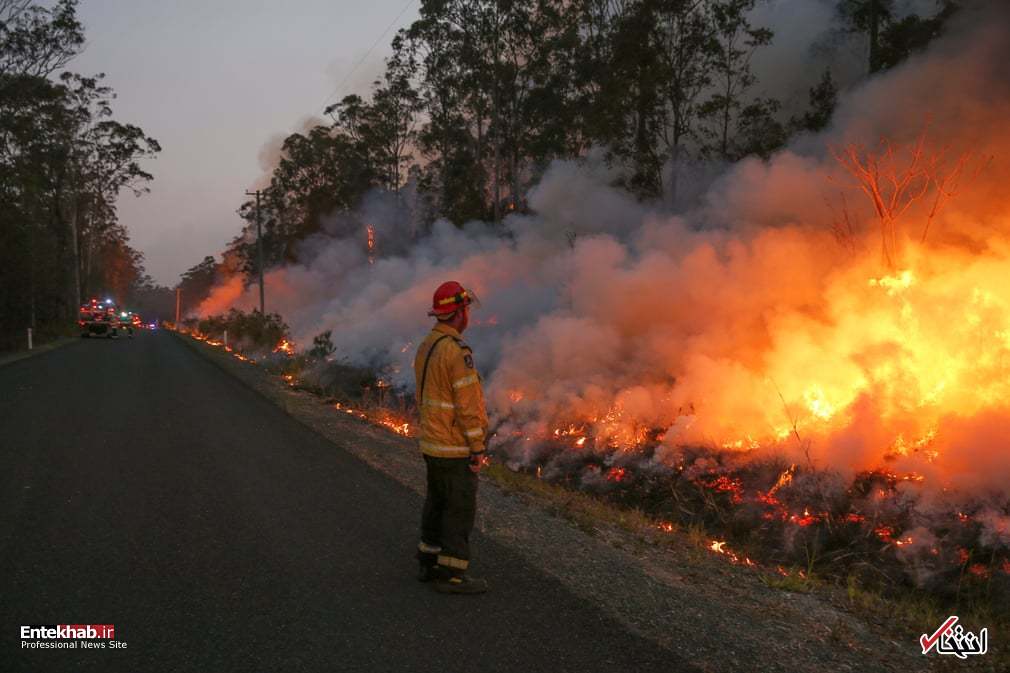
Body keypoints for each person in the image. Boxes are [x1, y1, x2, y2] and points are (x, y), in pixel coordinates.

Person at [413, 281, 490, 594]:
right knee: (459, 509)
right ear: (459, 313)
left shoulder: (427, 345)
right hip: (454, 446)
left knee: (436, 503)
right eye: (466, 309)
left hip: (432, 442)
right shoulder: (457, 352)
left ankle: (428, 562)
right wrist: (477, 448)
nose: (468, 315)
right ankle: (452, 575)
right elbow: (467, 406)